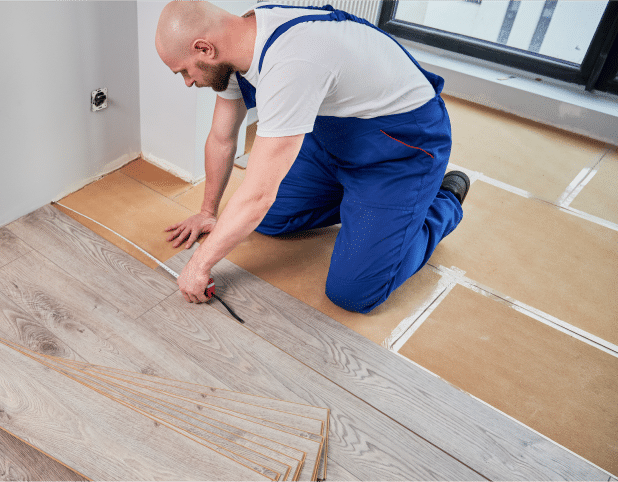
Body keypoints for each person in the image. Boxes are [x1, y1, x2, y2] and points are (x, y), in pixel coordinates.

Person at [156, 1, 469, 313]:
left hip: (399, 152)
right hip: (334, 143)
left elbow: (258, 196)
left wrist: (198, 264)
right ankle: (366, 208)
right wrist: (208, 212)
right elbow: (222, 139)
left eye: (184, 70)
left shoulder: (292, 60)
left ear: (204, 49)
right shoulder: (235, 49)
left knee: (353, 293)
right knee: (267, 220)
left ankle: (442, 200)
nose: (187, 81)